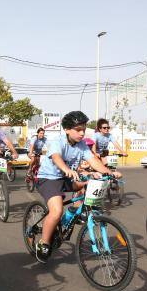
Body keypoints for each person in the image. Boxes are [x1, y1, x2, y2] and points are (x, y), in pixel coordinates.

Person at [34, 111, 120, 262]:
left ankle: (74, 210)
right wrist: (66, 169)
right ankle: (44, 243)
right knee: (56, 211)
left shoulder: (82, 145)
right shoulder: (58, 142)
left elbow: (93, 160)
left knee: (89, 183)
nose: (82, 133)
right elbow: (56, 157)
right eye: (78, 129)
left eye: (84, 129)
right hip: (49, 179)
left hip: (67, 178)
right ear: (67, 129)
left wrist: (108, 172)